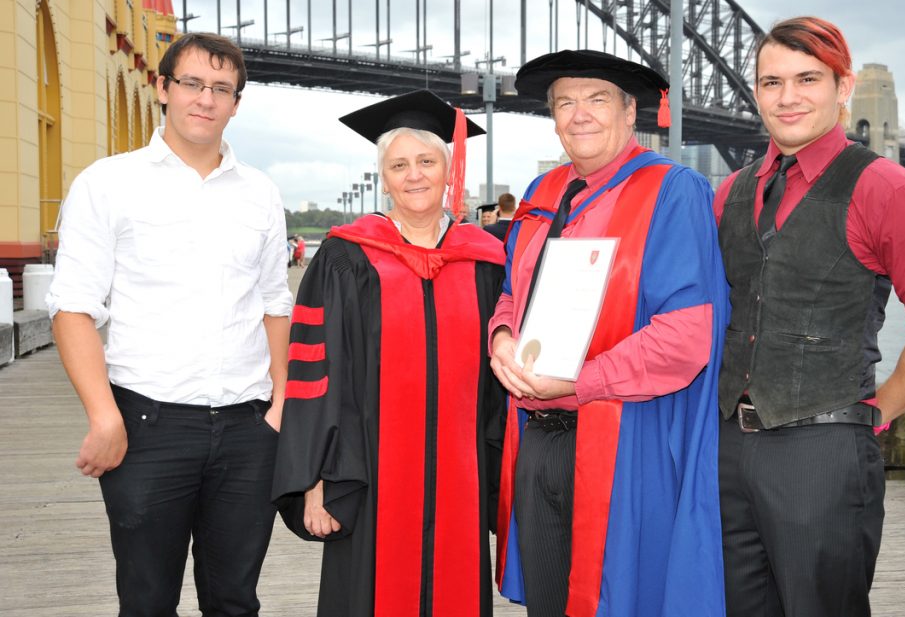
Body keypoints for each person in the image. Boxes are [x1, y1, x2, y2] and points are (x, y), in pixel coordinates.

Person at [713, 16, 905, 617]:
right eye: (771, 82)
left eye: (807, 79)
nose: (788, 97)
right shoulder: (730, 192)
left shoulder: (885, 187)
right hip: (727, 449)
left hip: (823, 450)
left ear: (843, 85)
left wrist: (876, 411)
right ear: (755, 91)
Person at [46, 32, 292, 616]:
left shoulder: (261, 193)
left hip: (248, 427)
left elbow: (273, 304)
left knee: (235, 601)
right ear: (162, 88)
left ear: (237, 103)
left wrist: (280, 407)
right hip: (147, 426)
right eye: (191, 83)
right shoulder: (107, 184)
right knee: (147, 600)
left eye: (222, 89)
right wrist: (104, 414)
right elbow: (72, 306)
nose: (205, 100)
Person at [489, 49, 730, 617]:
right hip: (537, 438)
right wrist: (501, 337)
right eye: (565, 102)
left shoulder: (672, 192)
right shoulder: (541, 194)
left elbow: (684, 336)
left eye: (597, 99)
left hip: (626, 439)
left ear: (630, 112)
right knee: (548, 602)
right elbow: (510, 294)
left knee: (619, 600)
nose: (580, 115)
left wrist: (578, 382)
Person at [272, 89, 508, 617]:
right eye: (399, 165)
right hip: (368, 474)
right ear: (384, 177)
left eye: (427, 161)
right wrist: (314, 482)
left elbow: (501, 392)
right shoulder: (346, 257)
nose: (415, 175)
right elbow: (313, 375)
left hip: (461, 477)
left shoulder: (487, 261)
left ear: (448, 170)